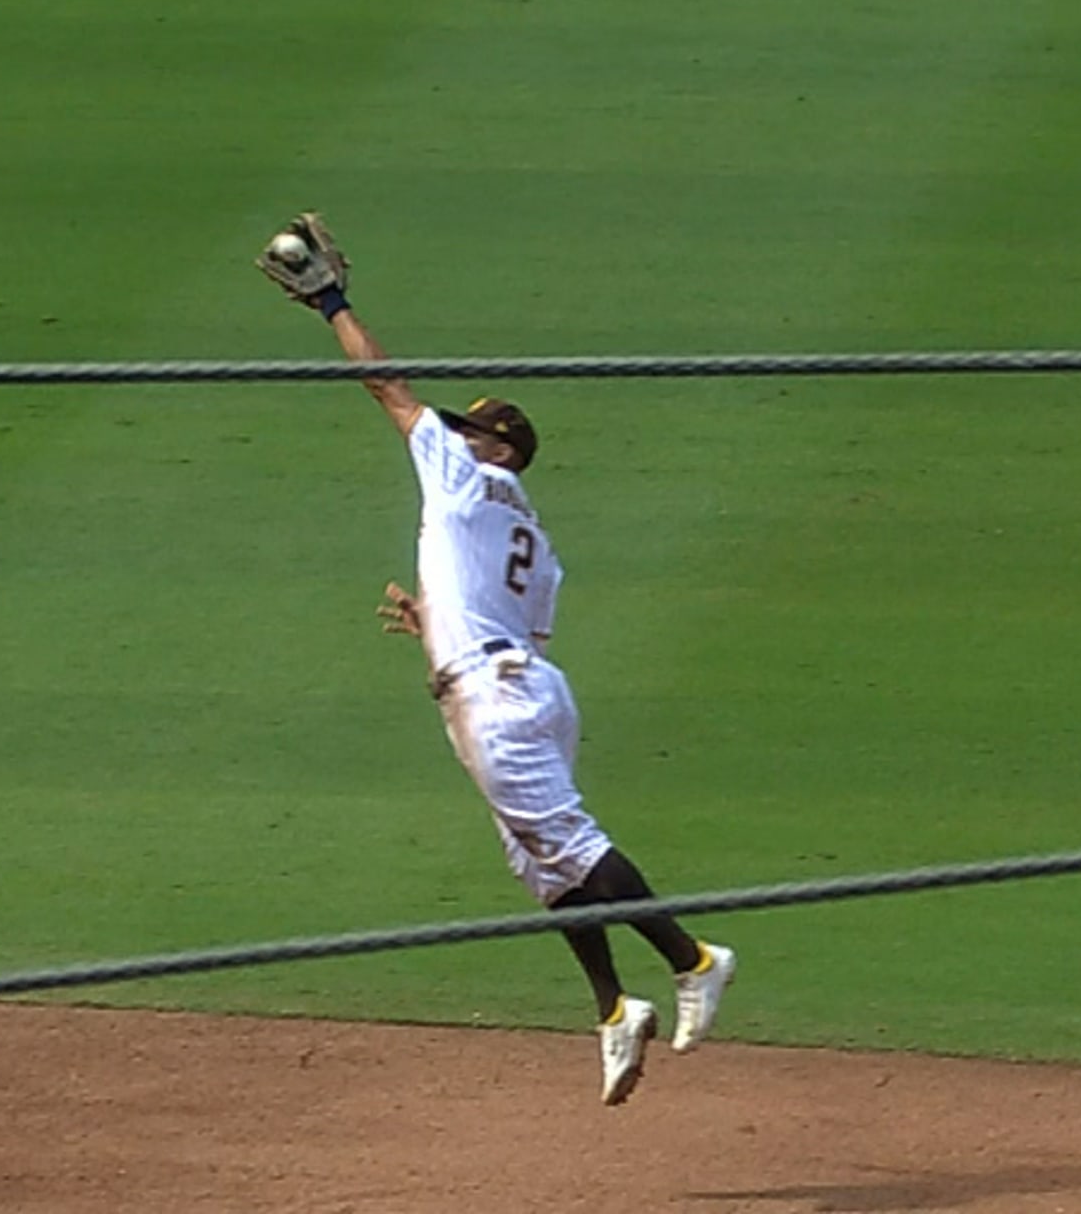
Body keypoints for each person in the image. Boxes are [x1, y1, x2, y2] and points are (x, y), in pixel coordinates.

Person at [258, 211, 734, 1107]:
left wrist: (331, 302)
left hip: (493, 693)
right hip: (525, 685)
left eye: (474, 428)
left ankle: (695, 958)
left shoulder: (460, 471)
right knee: (542, 861)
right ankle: (612, 1010)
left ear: (502, 448)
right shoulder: (535, 539)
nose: (453, 431)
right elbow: (518, 622)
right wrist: (434, 619)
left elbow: (388, 387)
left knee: (571, 847)